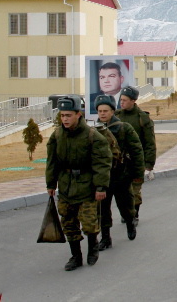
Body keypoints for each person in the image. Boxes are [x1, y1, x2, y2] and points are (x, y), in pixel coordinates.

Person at [45, 95, 112, 271]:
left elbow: (102, 163)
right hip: (66, 186)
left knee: (89, 223)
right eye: (62, 115)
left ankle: (92, 248)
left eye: (68, 115)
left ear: (78, 115)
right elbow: (52, 162)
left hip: (87, 186)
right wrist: (51, 184)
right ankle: (76, 256)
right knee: (68, 223)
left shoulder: (93, 136)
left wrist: (100, 187)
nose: (65, 119)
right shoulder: (57, 135)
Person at [94, 95, 145, 251]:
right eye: (100, 111)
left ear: (112, 111)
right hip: (103, 178)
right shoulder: (94, 130)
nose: (102, 114)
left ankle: (130, 223)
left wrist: (137, 174)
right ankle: (106, 238)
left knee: (125, 205)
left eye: (105, 110)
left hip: (121, 175)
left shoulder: (123, 128)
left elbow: (136, 151)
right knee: (102, 209)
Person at [115, 86, 156, 225]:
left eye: (125, 100)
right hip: (119, 163)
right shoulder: (117, 116)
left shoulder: (142, 118)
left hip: (136, 161)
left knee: (135, 191)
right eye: (121, 100)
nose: (122, 103)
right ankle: (125, 212)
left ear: (133, 101)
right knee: (121, 191)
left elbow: (150, 143)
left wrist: (149, 164)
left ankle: (134, 214)